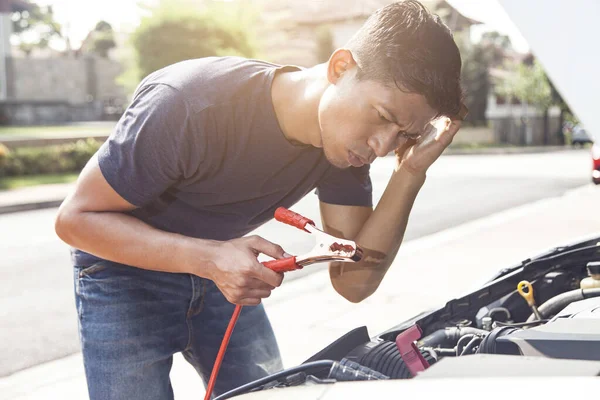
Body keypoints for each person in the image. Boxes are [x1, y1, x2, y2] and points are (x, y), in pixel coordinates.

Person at [55, 1, 464, 398]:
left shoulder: (345, 150)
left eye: (402, 135)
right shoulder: (189, 104)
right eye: (384, 117)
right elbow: (74, 219)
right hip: (125, 270)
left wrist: (409, 172)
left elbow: (353, 282)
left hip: (223, 270)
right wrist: (207, 258)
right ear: (342, 67)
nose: (381, 146)